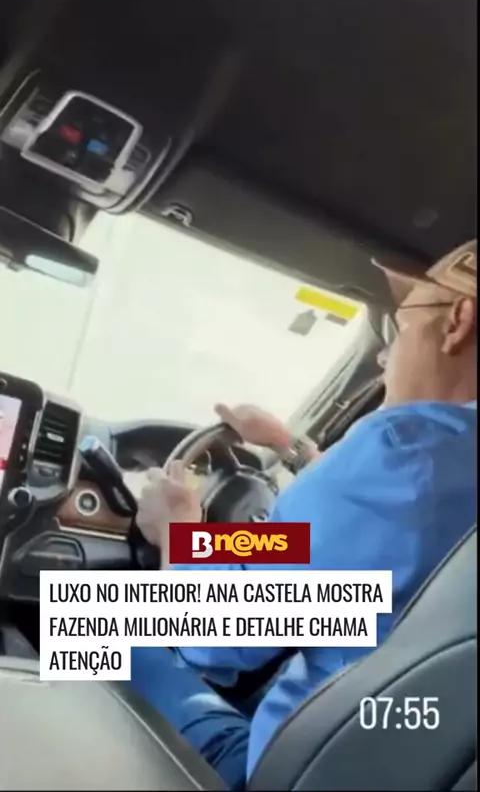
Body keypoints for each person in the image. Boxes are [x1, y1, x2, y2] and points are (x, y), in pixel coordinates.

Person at [129, 240, 477, 789]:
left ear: (457, 322)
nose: (384, 358)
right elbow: (361, 546)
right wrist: (289, 447)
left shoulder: (408, 452)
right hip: (406, 754)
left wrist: (179, 532)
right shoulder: (432, 472)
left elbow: (212, 633)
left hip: (288, 775)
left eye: (401, 328)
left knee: (88, 625)